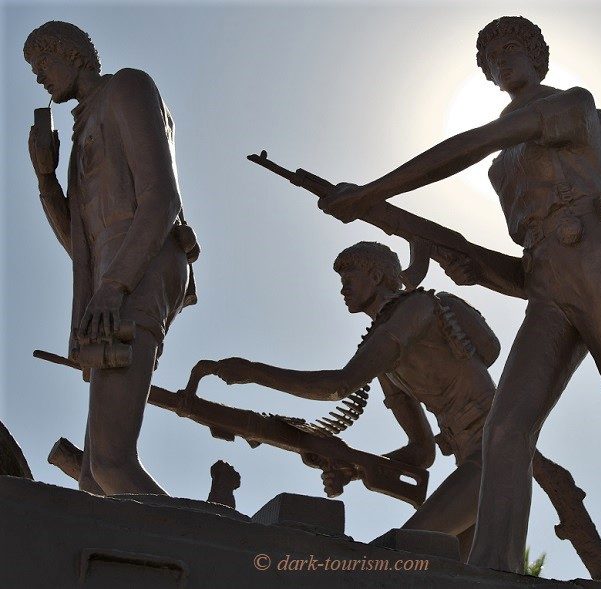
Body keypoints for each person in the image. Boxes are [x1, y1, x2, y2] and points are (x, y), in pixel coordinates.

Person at [316, 16, 601, 584]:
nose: (503, 59)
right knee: (505, 431)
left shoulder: (572, 106)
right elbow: (527, 272)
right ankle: (495, 566)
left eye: (513, 48)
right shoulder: (502, 173)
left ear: (540, 56)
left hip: (600, 262)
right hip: (549, 288)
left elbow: (473, 143)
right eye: (492, 57)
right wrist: (472, 265)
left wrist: (373, 194)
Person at [189, 242, 503, 559]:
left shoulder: (416, 308)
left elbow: (339, 385)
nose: (343, 290)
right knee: (453, 573)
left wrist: (254, 372)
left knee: (397, 554)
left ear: (377, 275)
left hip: (496, 453)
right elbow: (421, 452)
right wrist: (353, 467)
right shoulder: (385, 357)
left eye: (348, 279)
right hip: (471, 460)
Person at [24, 21, 198, 495]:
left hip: (141, 267)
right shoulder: (81, 135)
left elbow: (162, 198)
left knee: (109, 463)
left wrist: (115, 285)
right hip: (112, 278)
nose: (39, 77)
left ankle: (225, 556)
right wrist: (46, 179)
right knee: (91, 480)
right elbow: (80, 250)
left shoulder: (128, 86)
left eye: (42, 63)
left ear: (72, 53)